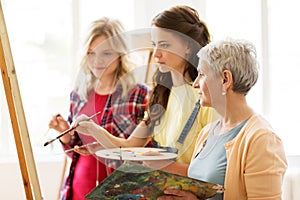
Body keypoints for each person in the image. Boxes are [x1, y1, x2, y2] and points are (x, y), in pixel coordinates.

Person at [74, 5, 217, 175]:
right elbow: (130, 146)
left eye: (164, 45)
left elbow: (214, 172)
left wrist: (164, 165)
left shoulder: (208, 97)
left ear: (188, 45)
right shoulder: (162, 95)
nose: (155, 54)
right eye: (154, 45)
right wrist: (93, 130)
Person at [157, 38, 288, 200]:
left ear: (225, 79)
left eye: (202, 75)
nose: (195, 84)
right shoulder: (207, 133)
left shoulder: (262, 139)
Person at [48, 17, 149, 200]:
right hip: (79, 189)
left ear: (120, 54)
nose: (97, 61)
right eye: (91, 53)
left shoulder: (138, 95)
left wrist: (105, 142)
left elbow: (144, 152)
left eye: (106, 53)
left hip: (121, 192)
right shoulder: (79, 94)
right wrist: (65, 134)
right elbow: (75, 150)